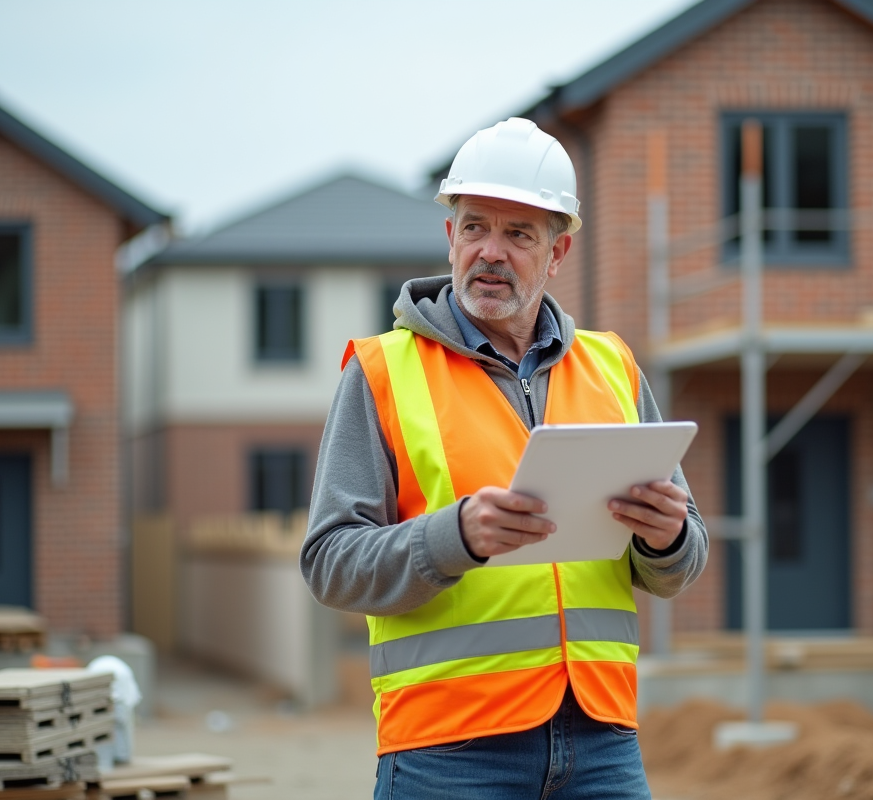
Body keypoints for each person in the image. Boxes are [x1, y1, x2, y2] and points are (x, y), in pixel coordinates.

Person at [302, 117, 708, 799]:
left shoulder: (612, 367)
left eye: (518, 234)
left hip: (602, 743)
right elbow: (329, 565)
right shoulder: (382, 373)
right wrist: (452, 537)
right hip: (448, 753)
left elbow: (680, 567)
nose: (491, 252)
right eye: (474, 227)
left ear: (558, 252)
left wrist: (668, 537)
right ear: (449, 236)